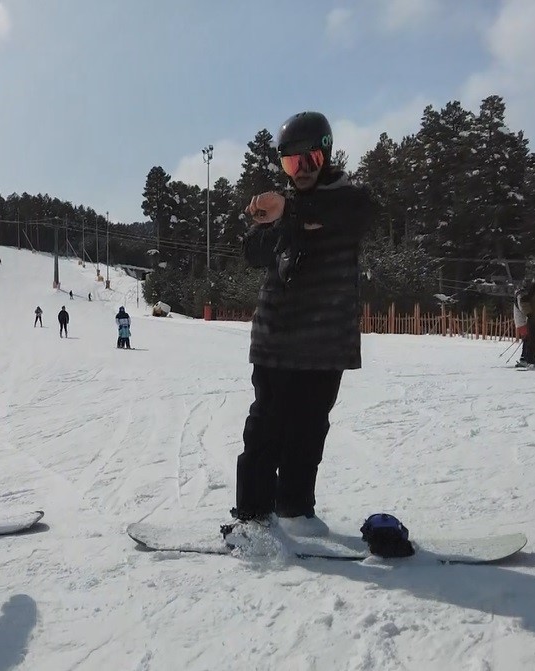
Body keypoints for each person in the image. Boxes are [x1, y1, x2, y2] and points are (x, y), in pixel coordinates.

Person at [225, 110, 374, 543]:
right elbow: (253, 253)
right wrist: (267, 221)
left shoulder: (349, 200)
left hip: (326, 342)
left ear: (326, 154)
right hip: (277, 340)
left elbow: (352, 216)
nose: (302, 170)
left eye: (309, 159)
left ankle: (295, 509)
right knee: (266, 426)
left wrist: (289, 208)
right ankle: (252, 515)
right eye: (292, 163)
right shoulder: (280, 208)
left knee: (310, 428)